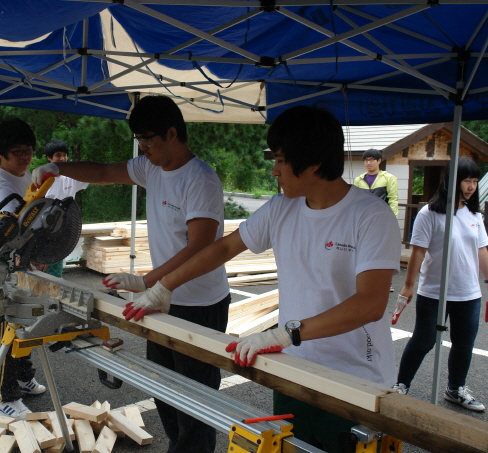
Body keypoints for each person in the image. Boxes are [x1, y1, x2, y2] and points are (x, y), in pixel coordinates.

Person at [122, 105, 402, 453]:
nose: (274, 170)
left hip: (356, 382)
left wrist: (285, 333)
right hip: (293, 372)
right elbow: (224, 248)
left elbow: (370, 303)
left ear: (314, 162)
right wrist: (164, 287)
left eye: (281, 160)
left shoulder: (370, 215)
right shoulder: (282, 208)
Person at [31, 95, 230, 453]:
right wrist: (58, 170)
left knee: (195, 397)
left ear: (172, 134)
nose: (143, 148)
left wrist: (147, 281)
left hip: (199, 303)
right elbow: (105, 172)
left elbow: (199, 247)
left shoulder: (200, 179)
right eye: (138, 140)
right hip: (161, 299)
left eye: (148, 139)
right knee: (163, 385)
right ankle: (176, 446)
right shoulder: (151, 166)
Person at [392, 157, 487, 412]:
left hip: (469, 293)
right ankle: (401, 384)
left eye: (475, 181)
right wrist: (408, 285)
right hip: (434, 292)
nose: (471, 186)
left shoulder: (474, 215)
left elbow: (482, 251)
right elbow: (418, 252)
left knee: (464, 344)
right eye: (466, 180)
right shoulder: (429, 213)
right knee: (424, 340)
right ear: (452, 181)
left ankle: (455, 389)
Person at [0, 118, 46, 420]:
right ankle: (3, 396)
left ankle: (23, 376)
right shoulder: (0, 188)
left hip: (23, 264)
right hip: (1, 266)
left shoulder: (24, 175)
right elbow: (9, 233)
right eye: (18, 152)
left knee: (24, 319)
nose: (26, 157)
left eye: (29, 150)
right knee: (4, 329)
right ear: (1, 154)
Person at [42, 139, 89, 278]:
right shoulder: (42, 178)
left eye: (64, 155)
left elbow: (92, 177)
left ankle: (55, 285)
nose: (62, 158)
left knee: (56, 262)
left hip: (64, 227)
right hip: (44, 227)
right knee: (42, 263)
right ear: (49, 158)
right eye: (58, 155)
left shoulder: (71, 177)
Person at [354, 148, 399, 292]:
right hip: (364, 220)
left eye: (372, 160)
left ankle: (387, 282)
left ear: (379, 161)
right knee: (363, 250)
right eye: (366, 160)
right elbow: (356, 201)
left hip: (382, 221)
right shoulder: (358, 180)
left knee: (384, 251)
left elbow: (393, 200)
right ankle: (363, 279)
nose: (369, 163)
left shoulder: (389, 178)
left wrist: (391, 220)